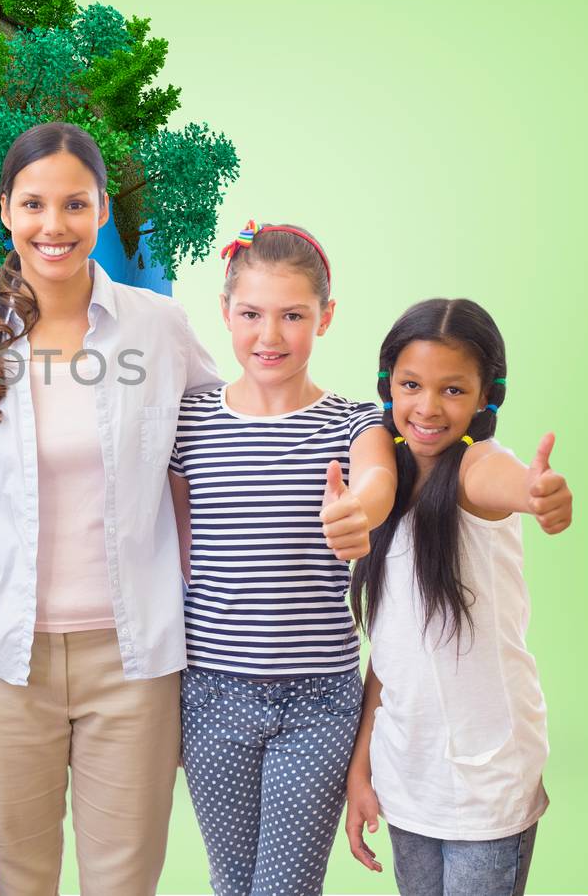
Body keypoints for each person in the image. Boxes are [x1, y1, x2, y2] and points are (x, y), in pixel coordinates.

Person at [0, 121, 223, 896]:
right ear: (5, 210)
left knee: (123, 879)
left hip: (135, 657)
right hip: (1, 656)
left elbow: (217, 453)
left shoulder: (159, 328)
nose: (53, 226)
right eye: (34, 204)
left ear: (99, 212)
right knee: (21, 876)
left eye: (75, 204)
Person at [167, 220, 397, 896]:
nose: (270, 336)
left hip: (319, 701)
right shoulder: (191, 419)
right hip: (211, 692)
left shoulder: (356, 421)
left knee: (285, 888)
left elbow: (377, 479)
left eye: (293, 315)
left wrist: (358, 512)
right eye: (252, 314)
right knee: (234, 883)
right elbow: (167, 543)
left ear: (325, 317)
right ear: (225, 313)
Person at [343, 298, 571, 896]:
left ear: (484, 397)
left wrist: (536, 491)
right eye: (411, 384)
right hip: (408, 773)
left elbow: (506, 479)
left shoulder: (477, 468)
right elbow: (390, 655)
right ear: (386, 384)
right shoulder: (385, 485)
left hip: (487, 781)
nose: (426, 407)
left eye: (453, 390)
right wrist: (362, 768)